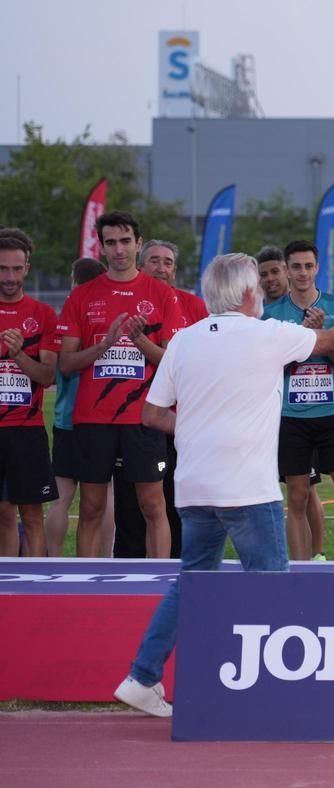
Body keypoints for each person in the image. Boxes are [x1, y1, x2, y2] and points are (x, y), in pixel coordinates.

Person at [113, 252, 334, 717]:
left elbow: (152, 415)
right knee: (273, 588)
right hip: (248, 489)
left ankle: (142, 676)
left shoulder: (184, 341)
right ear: (250, 293)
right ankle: (277, 694)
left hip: (194, 487)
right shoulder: (267, 334)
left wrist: (195, 426)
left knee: (191, 582)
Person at [57, 211, 183, 558]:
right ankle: (86, 585)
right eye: (111, 242)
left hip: (143, 419)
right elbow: (66, 364)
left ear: (138, 244)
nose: (119, 249)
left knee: (153, 506)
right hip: (93, 419)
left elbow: (174, 365)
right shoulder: (82, 295)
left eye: (125, 241)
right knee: (92, 508)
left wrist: (138, 340)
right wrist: (104, 345)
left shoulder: (161, 294)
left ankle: (159, 582)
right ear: (101, 247)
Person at [263, 239, 334, 561]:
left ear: (317, 268)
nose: (302, 273)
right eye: (295, 266)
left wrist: (322, 332)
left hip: (332, 417)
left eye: (308, 266)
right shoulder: (271, 314)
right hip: (292, 419)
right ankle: (299, 572)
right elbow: (268, 366)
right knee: (296, 499)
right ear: (286, 270)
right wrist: (303, 336)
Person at [112, 239, 208, 559]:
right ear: (141, 263)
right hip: (136, 417)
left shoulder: (193, 306)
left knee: (177, 497)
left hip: (181, 419)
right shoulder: (127, 301)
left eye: (168, 262)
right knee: (132, 502)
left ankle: (177, 562)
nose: (162, 268)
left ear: (175, 269)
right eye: (155, 260)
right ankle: (128, 563)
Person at [257, 244, 326, 558]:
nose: (270, 279)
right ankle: (279, 552)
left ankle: (317, 555)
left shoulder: (308, 309)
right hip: (265, 415)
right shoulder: (261, 316)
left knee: (305, 489)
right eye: (264, 275)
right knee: (271, 487)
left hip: (299, 416)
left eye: (274, 272)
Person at [46, 258, 115, 557]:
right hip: (98, 419)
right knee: (106, 492)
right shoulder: (100, 318)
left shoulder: (68, 317)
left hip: (66, 420)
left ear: (74, 281)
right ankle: (105, 557)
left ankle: (53, 558)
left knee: (62, 497)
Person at [0, 233, 58, 557]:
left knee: (32, 514)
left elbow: (48, 375)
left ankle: (37, 587)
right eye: (3, 269)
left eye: (16, 269)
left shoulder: (44, 315)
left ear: (27, 268)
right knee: (3, 513)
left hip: (27, 430)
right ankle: (6, 589)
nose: (9, 277)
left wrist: (18, 353)